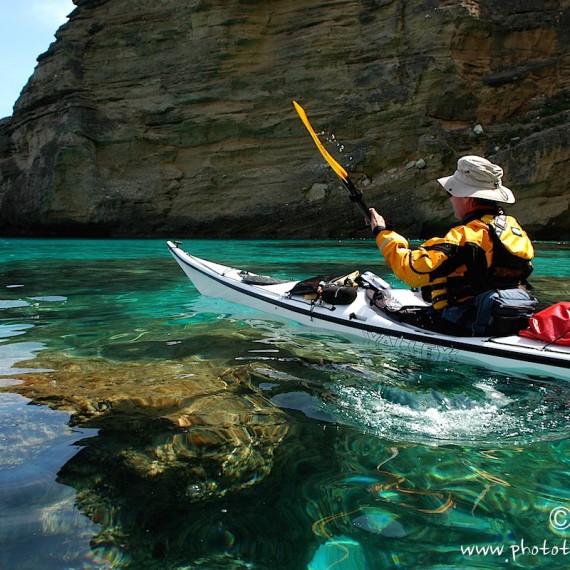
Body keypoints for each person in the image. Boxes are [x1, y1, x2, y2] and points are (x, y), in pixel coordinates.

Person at [368, 155, 537, 336]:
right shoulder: (513, 229)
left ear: (468, 199)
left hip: (460, 321)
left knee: (379, 304)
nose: (450, 199)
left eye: (451, 193)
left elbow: (411, 271)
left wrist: (382, 233)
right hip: (504, 318)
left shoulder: (466, 236)